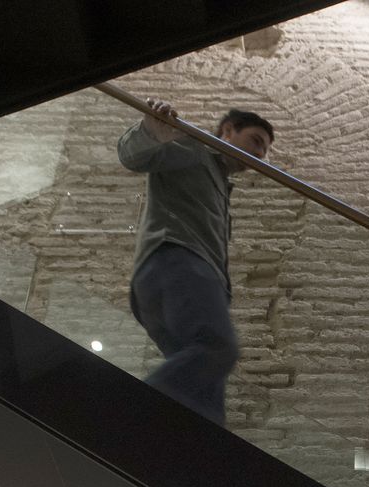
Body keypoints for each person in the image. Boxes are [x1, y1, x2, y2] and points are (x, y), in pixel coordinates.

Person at [118, 100, 275, 425]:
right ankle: (122, 418)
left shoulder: (217, 178)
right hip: (178, 263)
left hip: (166, 281)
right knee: (218, 348)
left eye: (265, 150)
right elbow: (133, 156)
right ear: (228, 130)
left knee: (204, 399)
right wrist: (151, 130)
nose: (261, 156)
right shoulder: (195, 148)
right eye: (257, 142)